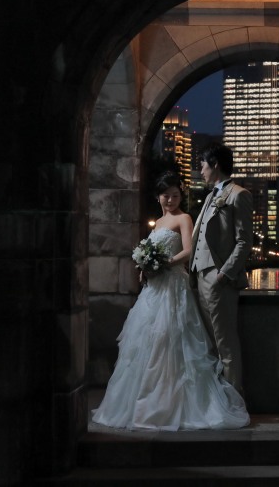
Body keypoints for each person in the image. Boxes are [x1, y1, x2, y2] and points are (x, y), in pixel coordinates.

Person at [91, 172, 249, 430]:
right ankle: (144, 405)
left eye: (175, 195)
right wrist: (145, 267)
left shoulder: (183, 218)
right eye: (166, 195)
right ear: (158, 197)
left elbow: (187, 251)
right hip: (154, 289)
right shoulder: (159, 222)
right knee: (146, 343)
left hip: (174, 286)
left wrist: (164, 263)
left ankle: (172, 403)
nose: (171, 200)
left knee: (172, 340)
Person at [190, 143, 253, 397]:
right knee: (210, 343)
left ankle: (233, 401)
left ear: (215, 164)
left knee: (225, 343)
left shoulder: (239, 194)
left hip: (218, 278)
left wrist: (224, 274)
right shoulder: (209, 196)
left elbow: (244, 241)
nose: (201, 171)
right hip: (199, 275)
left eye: (203, 165)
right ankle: (216, 400)